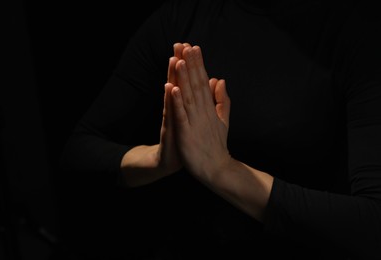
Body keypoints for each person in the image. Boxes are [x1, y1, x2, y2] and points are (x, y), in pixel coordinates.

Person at [59, 0, 381, 259]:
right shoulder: (181, 17)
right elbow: (78, 153)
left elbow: (372, 225)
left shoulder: (355, 29)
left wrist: (222, 169)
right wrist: (159, 159)